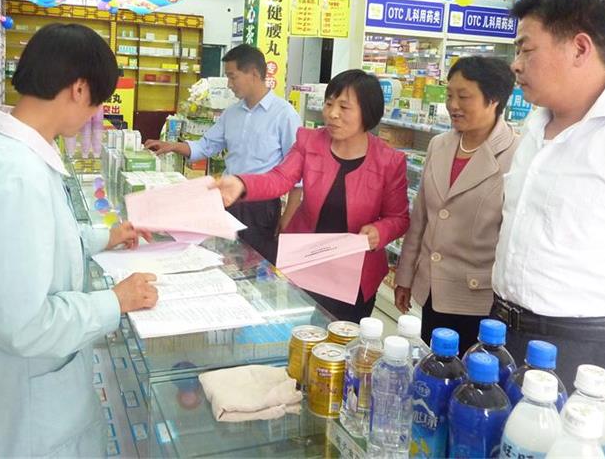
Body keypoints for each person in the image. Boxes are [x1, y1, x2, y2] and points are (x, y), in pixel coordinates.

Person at [0, 24, 158, 457]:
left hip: (23, 390)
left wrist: (106, 236)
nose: (94, 114)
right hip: (25, 413)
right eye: (98, 102)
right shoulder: (18, 176)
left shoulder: (17, 152)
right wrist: (114, 301)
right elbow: (22, 324)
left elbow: (38, 240)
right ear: (79, 89)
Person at [491, 0, 605, 429]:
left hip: (593, 355)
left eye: (526, 49)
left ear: (580, 48)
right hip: (507, 336)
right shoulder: (533, 128)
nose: (515, 64)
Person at [216, 69, 410, 322]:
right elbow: (280, 178)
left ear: (368, 112)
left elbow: (399, 218)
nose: (332, 113)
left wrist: (379, 232)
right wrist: (241, 184)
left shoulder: (389, 161)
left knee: (343, 339)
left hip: (355, 276)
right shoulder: (309, 141)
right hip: (308, 264)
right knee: (303, 333)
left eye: (344, 107)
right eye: (329, 104)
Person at [394, 56, 518, 352]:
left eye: (464, 97)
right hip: (433, 291)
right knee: (433, 367)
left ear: (494, 100)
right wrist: (405, 276)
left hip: (480, 301)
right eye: (449, 95)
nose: (453, 105)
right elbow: (421, 219)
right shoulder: (439, 145)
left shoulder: (517, 154)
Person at [145, 44, 301, 263]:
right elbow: (206, 145)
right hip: (227, 198)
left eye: (232, 77)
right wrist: (172, 146)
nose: (229, 84)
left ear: (254, 73)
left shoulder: (284, 115)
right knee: (226, 257)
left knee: (256, 263)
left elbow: (297, 173)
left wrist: (289, 216)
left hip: (261, 206)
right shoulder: (232, 113)